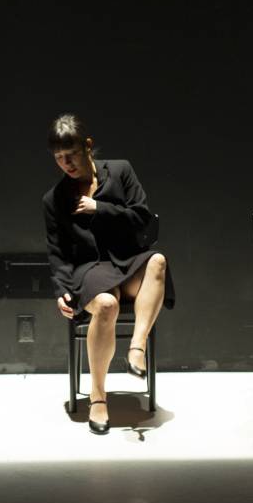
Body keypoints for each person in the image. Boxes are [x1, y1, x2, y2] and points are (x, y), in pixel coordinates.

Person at [43, 114, 173, 434]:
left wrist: (100, 209)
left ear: (87, 146)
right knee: (106, 305)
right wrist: (60, 289)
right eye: (59, 158)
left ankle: (136, 348)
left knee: (157, 261)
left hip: (127, 260)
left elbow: (143, 218)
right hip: (89, 269)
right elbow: (57, 251)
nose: (66, 164)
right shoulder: (55, 199)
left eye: (70, 154)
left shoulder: (121, 171)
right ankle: (97, 398)